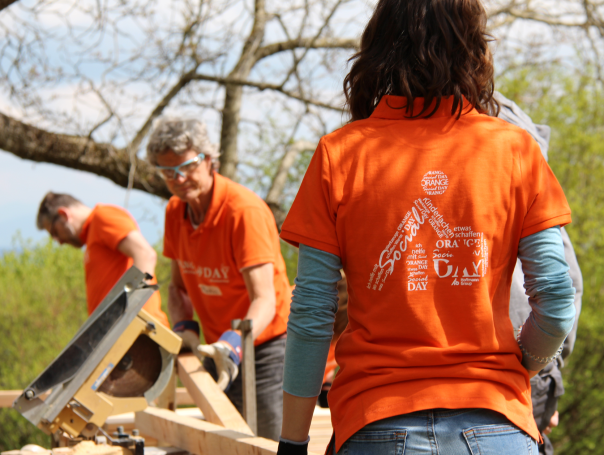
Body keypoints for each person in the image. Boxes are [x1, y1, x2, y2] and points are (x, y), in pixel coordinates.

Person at [276, 0, 577, 454]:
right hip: (497, 421)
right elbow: (556, 298)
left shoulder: (340, 155)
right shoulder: (516, 150)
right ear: (474, 47)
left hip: (376, 419)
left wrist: (293, 443)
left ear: (378, 45)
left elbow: (312, 314)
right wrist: (522, 366)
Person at [146, 117, 292, 441]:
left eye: (185, 166)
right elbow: (178, 287)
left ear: (209, 159)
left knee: (267, 443)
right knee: (224, 441)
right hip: (216, 346)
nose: (179, 179)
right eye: (168, 172)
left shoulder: (243, 212)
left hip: (268, 347)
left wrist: (235, 342)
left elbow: (264, 299)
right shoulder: (176, 212)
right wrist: (184, 328)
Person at [496, 92, 583, 455]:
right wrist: (545, 367)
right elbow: (566, 291)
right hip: (525, 358)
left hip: (519, 360)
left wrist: (540, 370)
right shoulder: (519, 150)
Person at [36, 192, 169, 326]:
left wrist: (131, 315)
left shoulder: (103, 217)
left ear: (64, 215)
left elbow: (145, 255)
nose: (58, 241)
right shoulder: (92, 234)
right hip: (121, 337)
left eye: (55, 233)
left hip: (140, 333)